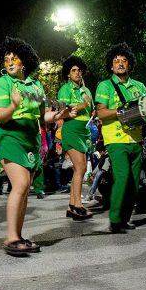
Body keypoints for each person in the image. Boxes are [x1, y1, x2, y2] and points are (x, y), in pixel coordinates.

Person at [0, 37, 75, 256]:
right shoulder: (1, 84)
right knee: (20, 184)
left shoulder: (36, 84)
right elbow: (0, 116)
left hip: (30, 138)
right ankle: (11, 238)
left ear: (24, 61)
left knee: (26, 187)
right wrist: (13, 104)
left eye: (14, 58)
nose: (9, 62)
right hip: (10, 136)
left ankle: (18, 236)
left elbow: (42, 116)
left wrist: (60, 114)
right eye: (6, 59)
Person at [94, 42, 146, 234]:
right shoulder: (105, 85)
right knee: (122, 177)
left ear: (129, 64)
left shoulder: (139, 86)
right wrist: (122, 111)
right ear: (111, 66)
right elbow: (101, 113)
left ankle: (125, 218)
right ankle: (115, 219)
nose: (120, 63)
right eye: (116, 61)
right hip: (115, 139)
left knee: (134, 183)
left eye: (124, 60)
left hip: (137, 139)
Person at [57, 56, 94, 220]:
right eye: (73, 70)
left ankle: (73, 205)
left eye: (79, 70)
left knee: (79, 169)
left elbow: (91, 109)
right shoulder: (65, 89)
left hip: (85, 131)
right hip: (71, 129)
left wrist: (92, 111)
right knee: (81, 168)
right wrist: (84, 105)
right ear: (68, 74)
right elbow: (64, 110)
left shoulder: (86, 91)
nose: (77, 73)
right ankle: (78, 205)